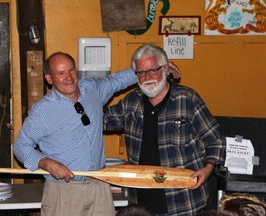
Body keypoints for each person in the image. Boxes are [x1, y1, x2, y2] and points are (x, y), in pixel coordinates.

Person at [14, 51, 180, 216]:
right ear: (49, 79)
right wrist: (46, 163)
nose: (69, 77)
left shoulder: (91, 89)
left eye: (71, 70)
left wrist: (153, 69)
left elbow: (116, 81)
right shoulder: (42, 111)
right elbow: (21, 146)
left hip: (99, 184)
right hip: (64, 189)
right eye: (61, 73)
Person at [103, 44, 226, 216]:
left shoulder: (187, 99)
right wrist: (88, 93)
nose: (147, 77)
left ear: (166, 68)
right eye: (141, 72)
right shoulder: (131, 102)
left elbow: (215, 139)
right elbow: (98, 120)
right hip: (140, 204)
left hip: (182, 200)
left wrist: (209, 168)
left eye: (153, 70)